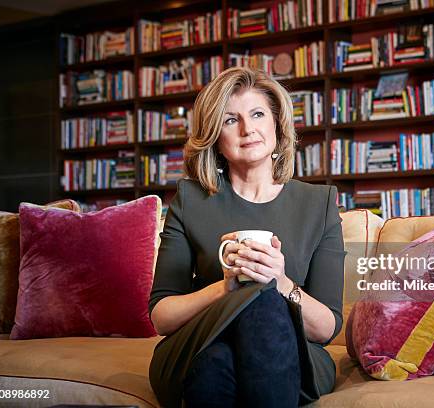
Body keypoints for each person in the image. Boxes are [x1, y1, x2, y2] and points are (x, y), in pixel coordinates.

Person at [148, 66, 346, 408]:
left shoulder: (319, 204)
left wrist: (280, 281)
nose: (247, 128)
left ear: (277, 125)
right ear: (215, 139)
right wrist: (225, 288)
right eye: (230, 120)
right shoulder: (191, 200)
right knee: (215, 355)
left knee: (259, 309)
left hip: (292, 354)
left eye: (257, 114)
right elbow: (162, 316)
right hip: (200, 343)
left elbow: (326, 328)